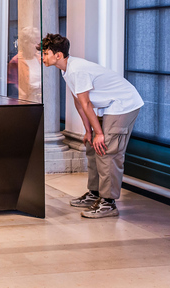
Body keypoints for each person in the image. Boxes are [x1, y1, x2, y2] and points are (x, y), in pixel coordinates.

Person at [39, 33, 144, 219]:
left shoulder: (76, 70)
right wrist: (89, 132)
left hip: (123, 104)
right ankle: (95, 193)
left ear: (58, 55)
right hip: (108, 106)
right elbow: (79, 103)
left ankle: (108, 203)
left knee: (106, 150)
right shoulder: (66, 70)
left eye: (46, 53)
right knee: (91, 146)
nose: (43, 57)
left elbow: (86, 104)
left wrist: (99, 134)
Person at [7, 26, 42, 101]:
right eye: (33, 42)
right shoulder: (16, 61)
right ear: (25, 44)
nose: (36, 46)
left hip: (41, 99)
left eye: (37, 42)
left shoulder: (40, 59)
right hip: (27, 102)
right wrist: (24, 97)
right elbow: (12, 84)